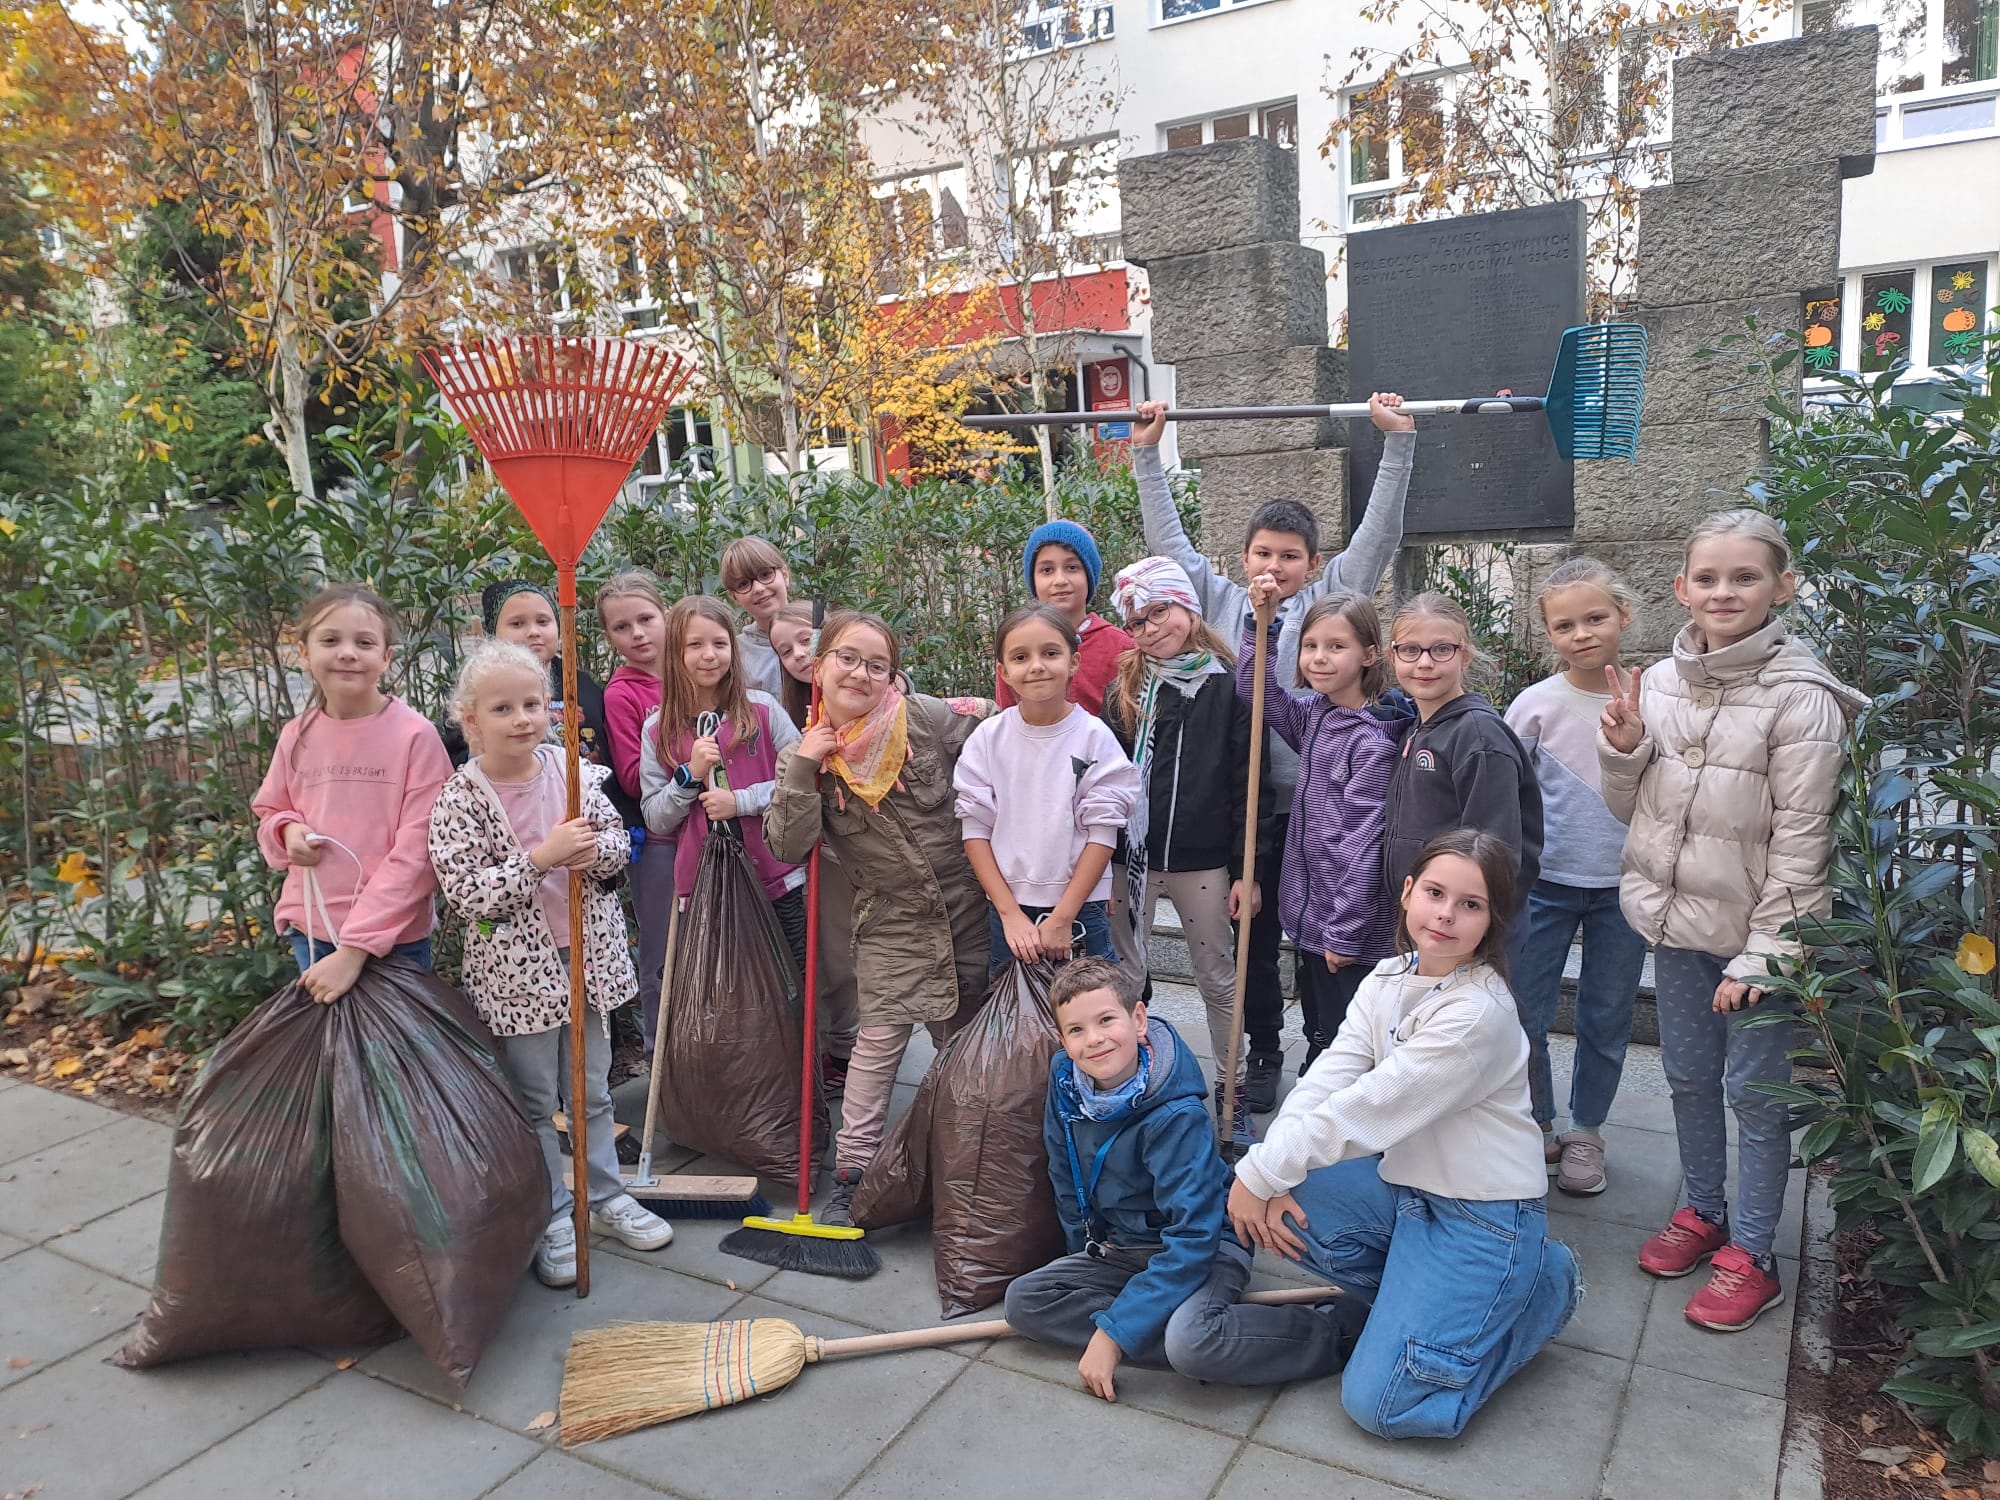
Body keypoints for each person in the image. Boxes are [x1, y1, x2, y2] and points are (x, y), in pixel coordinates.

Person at [1600, 509, 1864, 1332]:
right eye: (1707, 577)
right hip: (1678, 930)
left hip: (1757, 947)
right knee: (1686, 1078)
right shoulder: (1662, 683)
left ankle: (1754, 1250)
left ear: (1782, 587)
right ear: (1681, 588)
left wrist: (1765, 956)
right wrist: (1626, 749)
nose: (1723, 591)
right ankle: (1703, 1211)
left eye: (1744, 576)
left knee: (1755, 1095)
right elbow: (1628, 811)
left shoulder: (1802, 699)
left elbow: (1802, 845)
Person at [1226, 830, 1580, 1440]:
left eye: (1470, 905)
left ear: (1493, 921)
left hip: (1483, 1217)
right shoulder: (1389, 977)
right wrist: (1266, 1171)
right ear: (1409, 892)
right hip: (1408, 1192)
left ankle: (1541, 1290)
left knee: (1381, 1406)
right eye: (1436, 893)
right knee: (1286, 1200)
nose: (1446, 914)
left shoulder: (1477, 1016)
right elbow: (1327, 1081)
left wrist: (1259, 1172)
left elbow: (1366, 1110)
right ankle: (1430, 1303)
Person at [1132, 394, 1416, 1114]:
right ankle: (1262, 1047)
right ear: (1244, 557)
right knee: (1250, 934)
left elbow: (1378, 538)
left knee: (1327, 931)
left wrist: (1398, 446)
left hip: (1319, 808)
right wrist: (1146, 453)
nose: (1276, 565)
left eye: (1290, 557)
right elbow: (1169, 541)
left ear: (1313, 564)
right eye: (1264, 553)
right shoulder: (1220, 601)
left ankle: (1337, 1051)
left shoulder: (1329, 604)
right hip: (1244, 809)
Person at [1005, 958, 1363, 1403]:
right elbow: (1065, 1176)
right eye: (1076, 1030)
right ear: (1062, 1040)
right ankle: (1157, 1323)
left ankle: (1335, 1333)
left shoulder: (1177, 1117)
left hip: (1206, 1247)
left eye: (1105, 1020)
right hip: (1121, 1249)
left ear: (1138, 1020)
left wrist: (1112, 1336)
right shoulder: (1066, 1083)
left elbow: (1193, 1238)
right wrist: (1085, 1255)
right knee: (1026, 1301)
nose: (1093, 1039)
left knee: (1192, 1343)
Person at [427, 640, 673, 1288]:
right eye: (502, 707)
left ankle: (607, 1195)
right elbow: (467, 894)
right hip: (516, 973)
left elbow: (618, 845)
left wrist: (597, 855)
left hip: (586, 958)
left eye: (532, 703)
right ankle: (554, 1213)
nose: (521, 718)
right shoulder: (462, 799)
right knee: (536, 1099)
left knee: (590, 1089)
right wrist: (541, 858)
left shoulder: (574, 775)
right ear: (470, 720)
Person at [765, 611, 996, 1227]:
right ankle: (856, 1169)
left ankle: (962, 1161)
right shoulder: (808, 754)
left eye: (877, 665)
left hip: (963, 910)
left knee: (962, 1041)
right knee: (879, 1039)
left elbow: (1003, 739)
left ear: (894, 675)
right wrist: (801, 770)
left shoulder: (925, 718)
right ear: (819, 667)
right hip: (891, 915)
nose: (861, 674)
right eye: (847, 658)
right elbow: (787, 845)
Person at [1102, 556, 1273, 1112]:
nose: (1152, 627)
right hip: (1133, 859)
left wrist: (1247, 873)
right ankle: (1127, 1073)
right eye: (1138, 621)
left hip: (1203, 860)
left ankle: (1232, 1079)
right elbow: (1107, 778)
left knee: (1217, 974)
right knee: (1126, 972)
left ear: (1188, 608)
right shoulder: (1125, 691)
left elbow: (1252, 786)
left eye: (1161, 611)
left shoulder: (1230, 691)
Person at [1505, 557, 1648, 1196]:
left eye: (1596, 618)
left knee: (1607, 1014)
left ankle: (1586, 1132)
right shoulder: (1534, 705)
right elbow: (1508, 793)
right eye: (1565, 625)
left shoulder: (1655, 696)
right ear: (1548, 635)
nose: (1583, 633)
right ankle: (1535, 1125)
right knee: (1524, 1011)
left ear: (1624, 617)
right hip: (1544, 885)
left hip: (1626, 887)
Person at [252, 584, 451, 1003]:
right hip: (313, 930)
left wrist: (355, 948)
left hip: (395, 940)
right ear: (304, 653)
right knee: (337, 1060)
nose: (347, 652)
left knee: (396, 1063)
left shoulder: (415, 736)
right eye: (330, 640)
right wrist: (287, 833)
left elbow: (421, 851)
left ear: (386, 658)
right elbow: (272, 808)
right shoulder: (297, 736)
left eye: (364, 642)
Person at [1240, 580, 1399, 1077]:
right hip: (1310, 914)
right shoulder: (1313, 715)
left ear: (1369, 655)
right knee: (1319, 1024)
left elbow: (1364, 844)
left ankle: (1349, 1121)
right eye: (1311, 646)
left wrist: (1345, 931)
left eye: (1336, 646)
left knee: (1348, 1032)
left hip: (1346, 925)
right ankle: (1320, 1070)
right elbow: (1255, 692)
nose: (1319, 658)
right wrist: (1260, 626)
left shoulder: (1373, 741)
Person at [955, 604, 1141, 975]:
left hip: (1081, 908)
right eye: (1021, 657)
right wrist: (1008, 914)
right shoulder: (988, 739)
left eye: (1050, 653)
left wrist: (1063, 916)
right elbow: (975, 829)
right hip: (1009, 909)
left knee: (1089, 1021)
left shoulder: (1094, 738)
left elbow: (1103, 833)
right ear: (1003, 672)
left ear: (1074, 662)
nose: (1036, 666)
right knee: (1015, 1023)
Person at [637, 596, 807, 973]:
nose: (709, 655)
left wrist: (741, 801)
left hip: (778, 878)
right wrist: (689, 775)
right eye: (695, 645)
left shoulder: (762, 710)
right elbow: (656, 819)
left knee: (794, 979)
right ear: (675, 653)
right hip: (706, 888)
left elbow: (802, 783)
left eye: (719, 643)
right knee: (728, 995)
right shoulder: (657, 731)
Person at [1380, 592, 1542, 911]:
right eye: (1411, 650)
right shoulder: (1417, 727)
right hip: (1424, 914)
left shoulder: (1479, 737)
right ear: (1392, 656)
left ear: (1465, 655)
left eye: (1442, 649)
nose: (1425, 663)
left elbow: (1494, 850)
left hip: (1465, 922)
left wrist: (1472, 924)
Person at [765, 598, 859, 1096]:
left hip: (873, 858)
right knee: (831, 960)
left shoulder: (871, 689)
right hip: (826, 854)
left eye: (807, 641)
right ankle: (834, 1051)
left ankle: (848, 1048)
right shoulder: (795, 722)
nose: (799, 655)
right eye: (786, 650)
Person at [597, 569, 675, 1050]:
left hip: (720, 828)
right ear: (608, 636)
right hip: (659, 837)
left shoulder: (697, 668)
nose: (638, 634)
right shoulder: (623, 693)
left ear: (666, 615)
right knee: (661, 949)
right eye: (622, 627)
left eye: (646, 619)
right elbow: (630, 774)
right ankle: (659, 1050)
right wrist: (691, 763)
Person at [997, 520, 1134, 719]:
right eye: (1047, 570)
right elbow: (1007, 719)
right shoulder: (1016, 645)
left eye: (1072, 567)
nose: (1060, 580)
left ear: (1089, 576)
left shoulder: (1121, 647)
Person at [720, 537, 793, 700]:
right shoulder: (736, 653)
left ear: (785, 575)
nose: (759, 588)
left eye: (766, 574)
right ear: (734, 597)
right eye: (744, 584)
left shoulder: (821, 632)